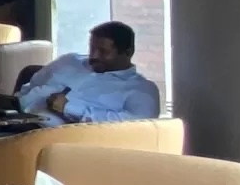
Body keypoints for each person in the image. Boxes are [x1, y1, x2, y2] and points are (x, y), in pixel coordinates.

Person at [18, 21, 161, 125]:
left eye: (103, 52)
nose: (94, 56)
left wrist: (69, 108)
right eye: (92, 48)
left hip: (46, 136)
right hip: (14, 117)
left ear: (128, 52)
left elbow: (135, 124)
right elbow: (32, 85)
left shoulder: (141, 89)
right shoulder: (69, 61)